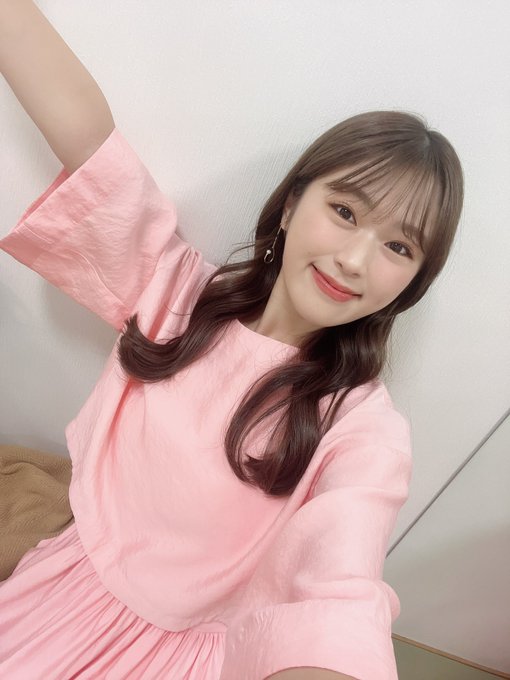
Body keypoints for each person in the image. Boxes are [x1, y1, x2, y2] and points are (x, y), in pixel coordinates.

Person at [0, 2, 464, 680]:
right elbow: (90, 142)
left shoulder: (363, 429)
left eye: (399, 247)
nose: (355, 260)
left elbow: (341, 597)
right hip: (61, 590)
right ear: (292, 204)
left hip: (179, 658)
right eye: (344, 211)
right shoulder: (177, 293)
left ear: (412, 281)